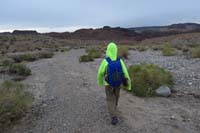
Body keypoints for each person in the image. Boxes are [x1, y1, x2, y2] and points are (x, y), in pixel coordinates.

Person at [97, 42, 131, 125]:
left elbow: (100, 73)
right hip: (118, 84)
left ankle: (113, 116)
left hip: (108, 84)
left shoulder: (106, 61)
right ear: (116, 50)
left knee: (110, 99)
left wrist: (100, 82)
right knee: (116, 97)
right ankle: (114, 108)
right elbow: (126, 73)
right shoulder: (120, 61)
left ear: (108, 50)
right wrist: (129, 86)